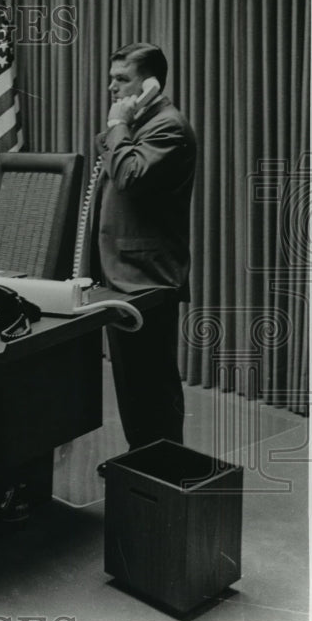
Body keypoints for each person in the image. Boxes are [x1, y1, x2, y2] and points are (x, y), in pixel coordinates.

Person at [92, 42, 197, 452]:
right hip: (122, 273)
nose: (111, 89)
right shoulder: (141, 122)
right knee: (132, 382)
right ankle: (141, 460)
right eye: (111, 78)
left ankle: (164, 467)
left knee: (152, 382)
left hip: (147, 278)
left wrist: (117, 125)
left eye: (122, 79)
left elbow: (130, 176)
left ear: (150, 83)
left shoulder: (167, 126)